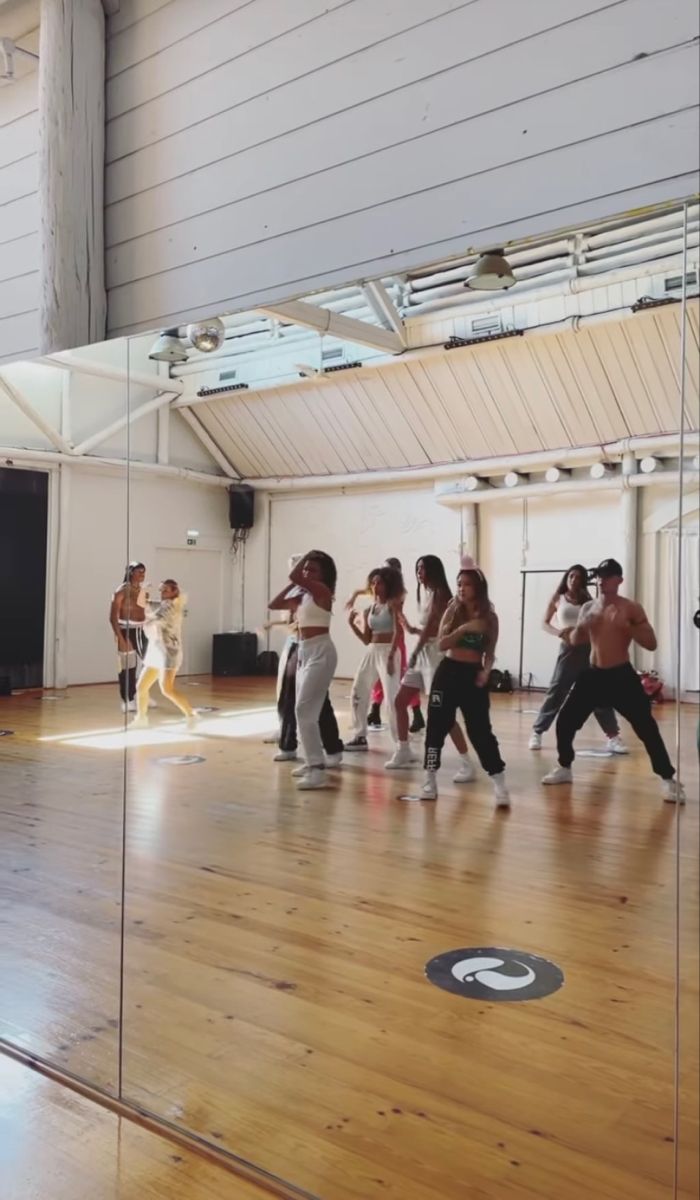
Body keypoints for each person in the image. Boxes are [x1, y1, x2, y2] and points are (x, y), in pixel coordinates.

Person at [542, 558, 685, 803]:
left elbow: (651, 643)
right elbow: (576, 640)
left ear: (619, 580)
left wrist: (628, 627)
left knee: (647, 729)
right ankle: (565, 767)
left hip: (621, 676)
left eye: (607, 576)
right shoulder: (588, 608)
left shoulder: (631, 608)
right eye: (598, 576)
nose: (600, 580)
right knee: (564, 722)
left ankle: (668, 780)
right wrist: (581, 626)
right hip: (593, 675)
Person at [419, 568, 510, 806]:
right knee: (436, 726)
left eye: (466, 584)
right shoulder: (453, 611)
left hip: (472, 675)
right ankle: (429, 777)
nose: (461, 588)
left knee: (480, 731)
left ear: (478, 587)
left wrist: (486, 672)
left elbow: (489, 654)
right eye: (459, 584)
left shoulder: (490, 618)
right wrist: (465, 628)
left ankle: (499, 781)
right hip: (448, 672)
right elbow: (441, 644)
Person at [385, 554, 472, 774]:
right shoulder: (428, 593)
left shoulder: (442, 594)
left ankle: (466, 762)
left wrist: (414, 650)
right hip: (423, 651)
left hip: (435, 655)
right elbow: (429, 627)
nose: (418, 573)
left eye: (422, 568)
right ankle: (403, 750)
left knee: (442, 712)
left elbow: (436, 628)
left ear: (433, 570)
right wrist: (412, 629)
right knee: (400, 701)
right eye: (417, 569)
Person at [529, 564, 627, 754]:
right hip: (569, 650)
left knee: (600, 693)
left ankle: (613, 736)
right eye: (571, 576)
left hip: (590, 649)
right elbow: (544, 622)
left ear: (583, 581)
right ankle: (538, 731)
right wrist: (559, 633)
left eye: (579, 577)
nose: (574, 580)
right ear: (567, 578)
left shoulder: (589, 600)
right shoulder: (558, 598)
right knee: (558, 690)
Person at [268, 550, 338, 791]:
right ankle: (312, 763)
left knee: (303, 710)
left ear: (324, 575)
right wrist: (294, 584)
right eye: (305, 568)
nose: (306, 572)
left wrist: (303, 562)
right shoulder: (303, 595)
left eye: (312, 569)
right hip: (304, 652)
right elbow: (274, 604)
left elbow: (294, 575)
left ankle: (317, 769)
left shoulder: (322, 592)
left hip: (321, 652)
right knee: (306, 712)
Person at [345, 566, 403, 751]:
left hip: (388, 651)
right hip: (372, 650)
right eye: (373, 582)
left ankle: (401, 743)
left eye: (380, 582)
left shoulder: (393, 604)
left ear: (388, 586)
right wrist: (352, 625)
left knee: (392, 697)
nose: (376, 586)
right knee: (358, 690)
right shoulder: (369, 610)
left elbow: (398, 632)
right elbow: (366, 639)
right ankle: (359, 735)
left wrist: (392, 655)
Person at [365, 558, 424, 732]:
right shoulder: (381, 594)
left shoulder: (398, 594)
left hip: (395, 639)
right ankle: (375, 709)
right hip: (380, 642)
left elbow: (398, 616)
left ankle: (417, 713)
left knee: (402, 677)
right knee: (378, 677)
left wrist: (410, 628)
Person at [131, 579, 196, 727]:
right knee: (141, 687)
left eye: (165, 590)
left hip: (169, 652)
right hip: (155, 650)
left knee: (167, 689)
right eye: (161, 590)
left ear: (174, 592)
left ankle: (190, 714)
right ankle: (141, 719)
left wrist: (139, 620)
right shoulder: (161, 604)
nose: (162, 593)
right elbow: (142, 604)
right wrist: (142, 590)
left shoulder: (173, 606)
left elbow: (154, 618)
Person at [109, 562, 149, 713]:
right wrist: (120, 637)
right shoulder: (121, 591)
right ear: (131, 572)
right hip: (125, 630)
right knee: (128, 666)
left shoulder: (143, 591)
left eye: (144, 572)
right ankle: (127, 699)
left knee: (151, 663)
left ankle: (141, 693)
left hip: (141, 630)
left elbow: (144, 612)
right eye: (139, 572)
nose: (142, 575)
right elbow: (112, 617)